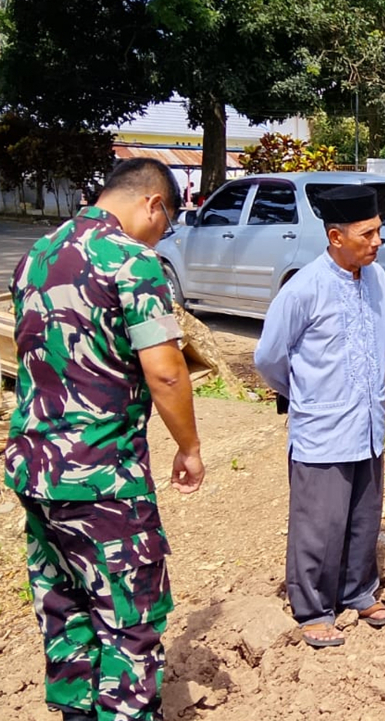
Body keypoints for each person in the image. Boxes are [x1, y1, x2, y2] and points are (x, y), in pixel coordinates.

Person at [5, 157, 205, 721]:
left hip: (37, 468)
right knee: (130, 615)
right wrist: (189, 448)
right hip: (102, 475)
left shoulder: (35, 257)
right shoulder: (133, 261)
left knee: (64, 603)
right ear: (152, 204)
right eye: (166, 222)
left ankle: (76, 712)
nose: (162, 232)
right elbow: (164, 370)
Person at [253, 185, 385, 648]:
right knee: (318, 522)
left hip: (369, 422)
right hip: (323, 426)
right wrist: (302, 396)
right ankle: (314, 608)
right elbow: (268, 357)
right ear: (335, 237)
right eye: (368, 234)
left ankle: (359, 591)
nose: (378, 242)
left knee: (363, 516)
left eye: (379, 231)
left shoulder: (376, 279)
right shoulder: (303, 289)